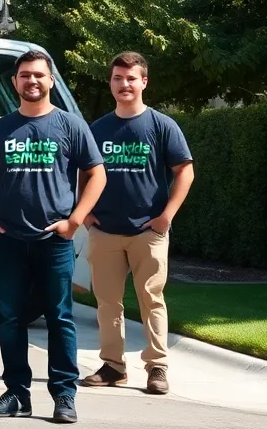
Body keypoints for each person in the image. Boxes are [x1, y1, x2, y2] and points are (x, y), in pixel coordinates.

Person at [0, 49, 105, 423]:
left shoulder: (71, 126)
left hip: (54, 241)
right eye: (25, 75)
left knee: (60, 317)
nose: (32, 81)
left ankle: (64, 395)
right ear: (15, 83)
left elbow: (97, 175)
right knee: (10, 318)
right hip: (9, 240)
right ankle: (16, 394)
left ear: (50, 80)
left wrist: (74, 221)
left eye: (39, 75)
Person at [80, 51, 194, 395]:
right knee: (108, 303)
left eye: (131, 78)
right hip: (106, 232)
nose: (124, 84)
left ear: (144, 81)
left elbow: (184, 171)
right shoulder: (97, 129)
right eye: (118, 78)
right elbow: (79, 173)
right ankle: (113, 366)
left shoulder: (162, 125)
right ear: (111, 83)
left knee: (152, 300)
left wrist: (166, 217)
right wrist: (84, 214)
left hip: (149, 231)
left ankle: (157, 367)